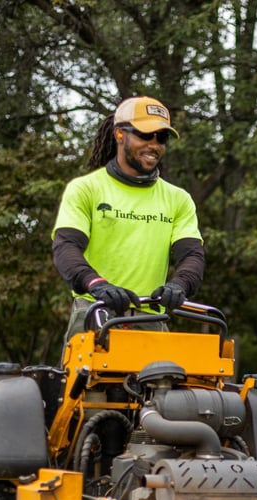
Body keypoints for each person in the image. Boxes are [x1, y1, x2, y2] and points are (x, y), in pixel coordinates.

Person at [52, 96, 204, 334]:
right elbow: (66, 247)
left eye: (161, 138)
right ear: (120, 134)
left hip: (151, 318)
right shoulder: (86, 189)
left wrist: (179, 285)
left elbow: (192, 254)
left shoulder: (178, 198)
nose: (154, 145)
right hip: (95, 311)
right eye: (145, 134)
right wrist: (96, 284)